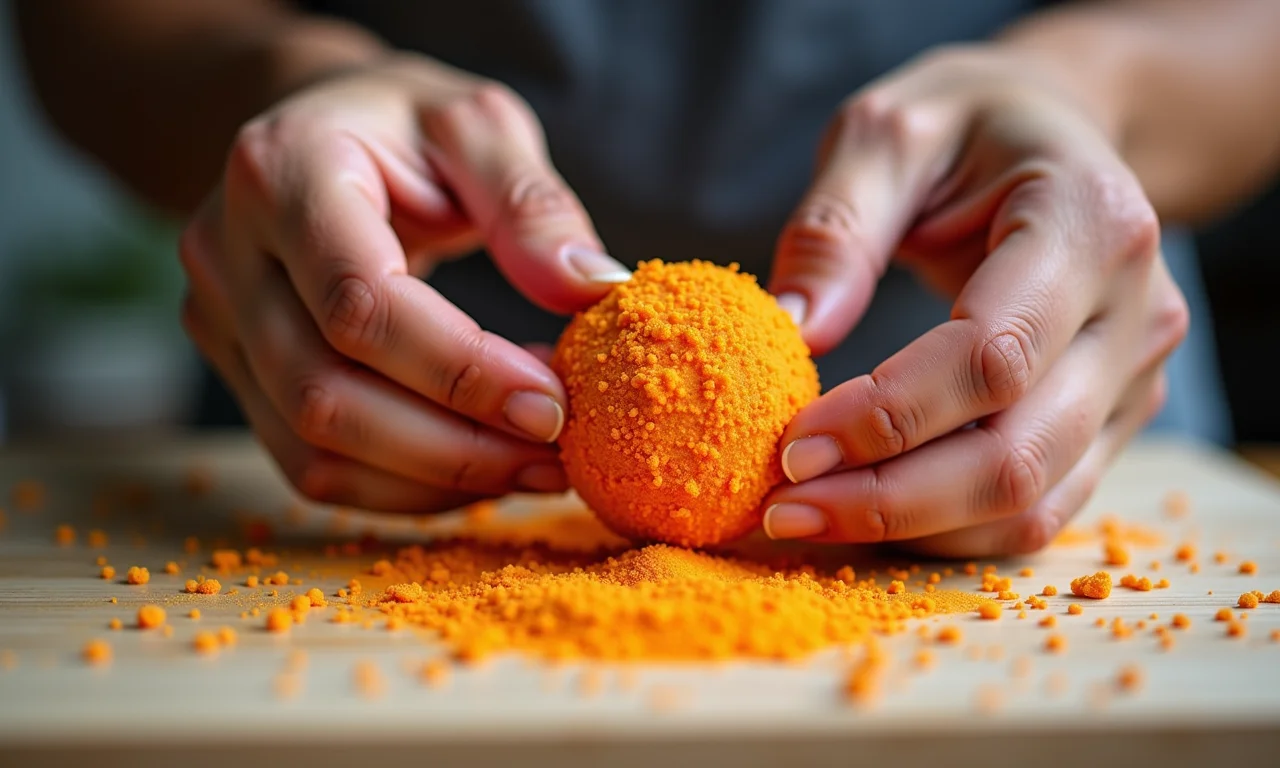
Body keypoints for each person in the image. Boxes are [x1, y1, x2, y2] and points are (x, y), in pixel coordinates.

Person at [15, 1, 1278, 556]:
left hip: (1058, 404)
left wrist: (1086, 88)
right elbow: (82, 24)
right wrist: (275, 86)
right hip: (333, 433)